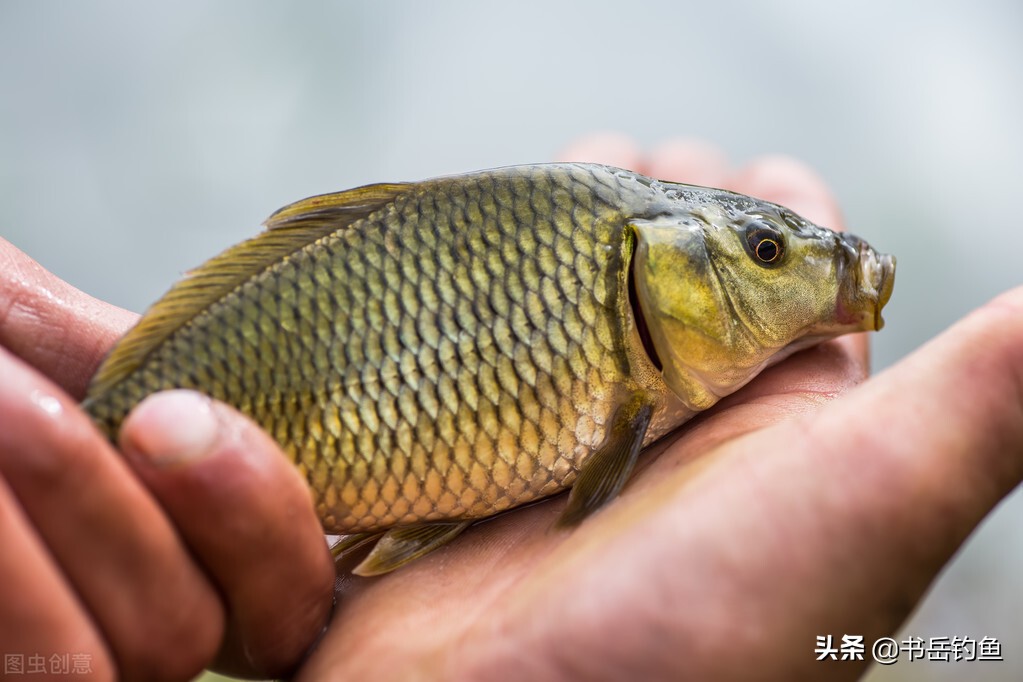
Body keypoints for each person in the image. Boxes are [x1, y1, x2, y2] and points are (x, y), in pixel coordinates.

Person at [0, 136, 1020, 681]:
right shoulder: (626, 375)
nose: (791, 272)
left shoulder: (645, 350)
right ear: (648, 273)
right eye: (764, 255)